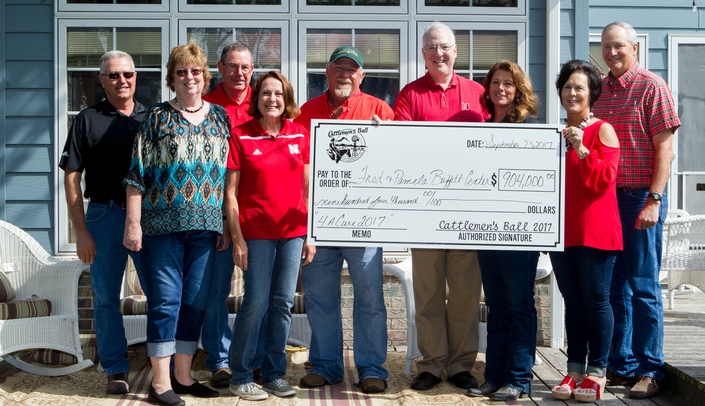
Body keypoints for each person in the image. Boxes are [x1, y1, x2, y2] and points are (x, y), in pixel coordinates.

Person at [123, 42, 228, 406]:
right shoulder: (155, 118)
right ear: (172, 78)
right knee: (166, 302)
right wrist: (133, 224)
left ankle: (183, 376)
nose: (189, 78)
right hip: (161, 229)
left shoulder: (220, 118)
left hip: (206, 228)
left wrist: (226, 222)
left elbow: (229, 178)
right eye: (181, 72)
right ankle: (160, 384)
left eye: (195, 71)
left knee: (195, 302)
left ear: (204, 76)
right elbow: (136, 175)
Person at [394, 21, 489, 393]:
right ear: (423, 53)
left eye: (445, 47)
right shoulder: (410, 94)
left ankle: (462, 363)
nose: (439, 54)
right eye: (431, 48)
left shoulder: (478, 93)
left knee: (466, 291)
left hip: (468, 209)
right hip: (425, 210)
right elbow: (400, 145)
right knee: (429, 290)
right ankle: (432, 364)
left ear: (455, 52)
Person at [295, 45, 394, 394]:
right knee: (321, 297)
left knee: (369, 297)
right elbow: (296, 168)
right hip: (318, 223)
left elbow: (398, 164)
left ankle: (371, 368)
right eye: (339, 68)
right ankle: (326, 364)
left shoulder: (380, 110)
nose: (345, 75)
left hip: (363, 223)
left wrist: (387, 138)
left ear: (361, 76)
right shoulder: (306, 113)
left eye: (352, 70)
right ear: (327, 73)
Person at [593, 21, 681, 400]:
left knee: (644, 287)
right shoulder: (599, 89)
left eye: (619, 46)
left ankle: (650, 368)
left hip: (640, 198)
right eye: (606, 47)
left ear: (634, 48)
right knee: (615, 288)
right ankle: (623, 365)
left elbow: (665, 149)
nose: (612, 53)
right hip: (605, 200)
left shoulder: (652, 87)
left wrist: (654, 200)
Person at [59, 50, 147, 396]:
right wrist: (81, 231)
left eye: (127, 74)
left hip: (149, 219)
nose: (121, 80)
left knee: (160, 296)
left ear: (136, 77)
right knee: (107, 298)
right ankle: (115, 368)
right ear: (102, 80)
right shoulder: (87, 119)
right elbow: (71, 177)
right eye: (113, 75)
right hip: (104, 215)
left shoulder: (152, 117)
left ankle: (162, 366)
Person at [226, 70, 315, 401]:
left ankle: (275, 373)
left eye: (278, 93)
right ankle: (241, 373)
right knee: (257, 300)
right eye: (266, 93)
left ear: (286, 98)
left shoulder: (301, 135)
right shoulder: (241, 136)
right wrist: (237, 239)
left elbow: (308, 190)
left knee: (282, 302)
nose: (272, 99)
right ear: (257, 97)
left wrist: (311, 235)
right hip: (257, 235)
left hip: (293, 234)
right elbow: (230, 194)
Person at [466, 60, 540, 401]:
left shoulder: (531, 130)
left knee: (519, 305)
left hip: (520, 233)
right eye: (496, 82)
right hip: (487, 230)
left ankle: (518, 379)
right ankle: (494, 377)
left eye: (508, 83)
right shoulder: (481, 128)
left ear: (518, 89)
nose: (501, 89)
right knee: (495, 305)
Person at [549, 59, 622, 403]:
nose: (572, 93)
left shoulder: (603, 130)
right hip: (563, 231)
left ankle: (597, 372)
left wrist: (581, 147)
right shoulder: (554, 133)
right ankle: (575, 368)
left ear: (593, 93)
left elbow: (603, 181)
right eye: (567, 86)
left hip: (596, 231)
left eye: (579, 87)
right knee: (573, 303)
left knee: (596, 302)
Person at [201, 41, 255, 388]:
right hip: (218, 216)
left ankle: (254, 357)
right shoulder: (206, 107)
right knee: (215, 292)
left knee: (259, 294)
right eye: (232, 66)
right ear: (219, 68)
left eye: (246, 67)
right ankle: (219, 359)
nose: (239, 73)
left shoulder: (267, 102)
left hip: (260, 216)